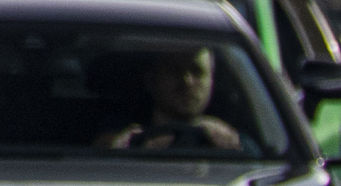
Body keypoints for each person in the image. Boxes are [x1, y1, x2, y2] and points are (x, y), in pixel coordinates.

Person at [96, 47, 243, 152]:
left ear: (212, 82)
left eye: (197, 71)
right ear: (151, 80)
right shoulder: (123, 135)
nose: (186, 81)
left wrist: (232, 145)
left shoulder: (232, 139)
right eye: (174, 70)